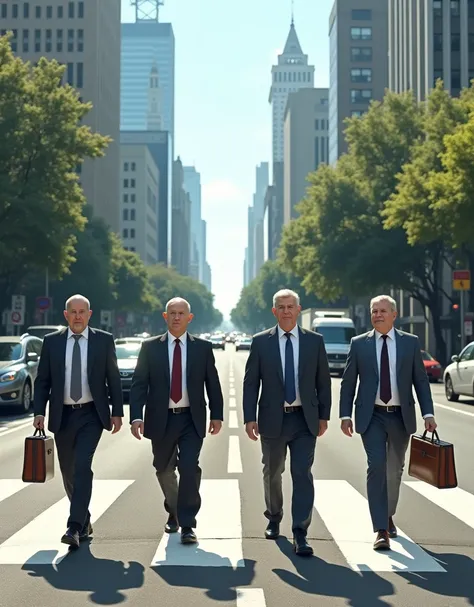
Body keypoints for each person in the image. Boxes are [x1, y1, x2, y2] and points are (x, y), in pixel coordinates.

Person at [339, 294, 437, 551]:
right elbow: (349, 382)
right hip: (371, 416)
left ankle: (389, 514)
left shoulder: (410, 343)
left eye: (383, 310)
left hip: (400, 415)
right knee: (376, 466)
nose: (377, 315)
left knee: (394, 470)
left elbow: (420, 381)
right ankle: (380, 528)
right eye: (374, 311)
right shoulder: (359, 344)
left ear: (394, 315)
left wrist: (428, 413)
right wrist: (345, 414)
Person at [243, 289, 331, 556]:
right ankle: (274, 516)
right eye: (280, 307)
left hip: (304, 420)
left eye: (290, 306)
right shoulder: (261, 342)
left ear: (298, 309)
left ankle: (300, 532)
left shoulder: (314, 341)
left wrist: (324, 415)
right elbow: (250, 383)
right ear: (274, 311)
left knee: (302, 474)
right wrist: (249, 418)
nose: (286, 311)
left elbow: (323, 381)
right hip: (272, 419)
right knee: (272, 472)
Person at [129, 297, 224, 545]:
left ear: (190, 318)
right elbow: (140, 383)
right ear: (165, 316)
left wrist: (217, 414)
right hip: (161, 419)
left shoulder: (202, 348)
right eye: (172, 313)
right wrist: (136, 416)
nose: (177, 317)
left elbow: (212, 383)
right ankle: (174, 508)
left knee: (190, 467)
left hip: (191, 420)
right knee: (163, 469)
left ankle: (188, 523)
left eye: (182, 313)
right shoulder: (150, 347)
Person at [33, 294, 123, 548]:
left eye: (82, 311)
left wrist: (117, 411)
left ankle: (73, 526)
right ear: (65, 315)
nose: (78, 316)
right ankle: (84, 519)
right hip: (62, 415)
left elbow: (113, 378)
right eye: (73, 312)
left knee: (82, 466)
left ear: (89, 314)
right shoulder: (51, 342)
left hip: (91, 415)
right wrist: (39, 411)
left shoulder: (103, 341)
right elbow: (43, 381)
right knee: (69, 471)